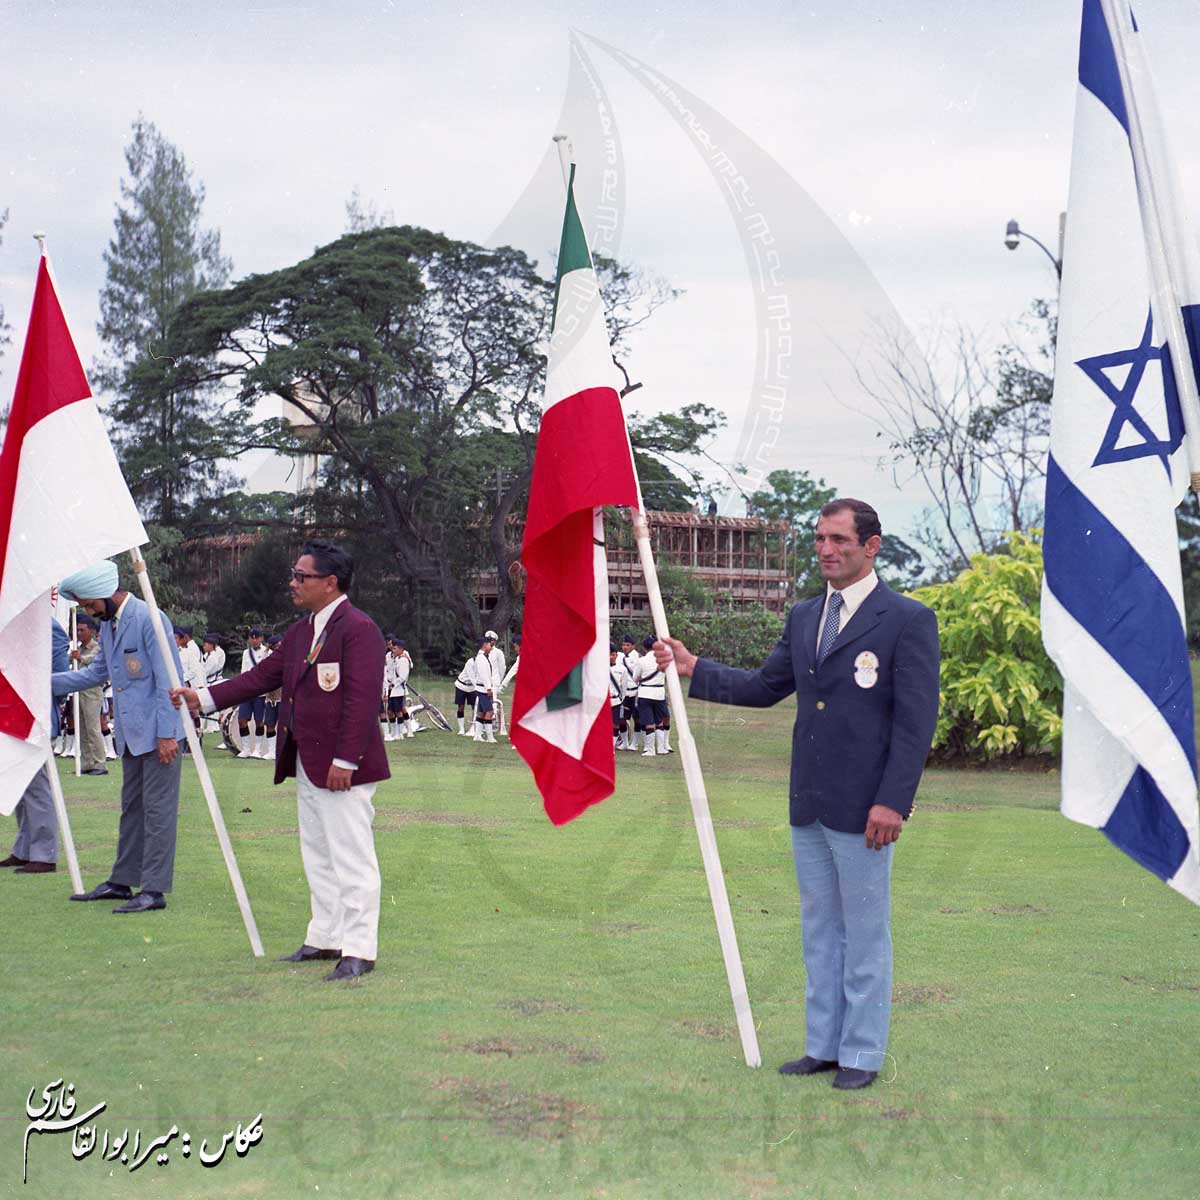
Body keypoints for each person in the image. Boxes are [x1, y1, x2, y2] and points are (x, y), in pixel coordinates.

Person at [654, 499, 939, 1090]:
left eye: (839, 539)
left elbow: (915, 724)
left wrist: (893, 800)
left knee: (863, 933)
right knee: (818, 930)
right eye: (819, 540)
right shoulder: (806, 615)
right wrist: (693, 667)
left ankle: (861, 1055)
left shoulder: (907, 620)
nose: (827, 550)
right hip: (807, 801)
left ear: (872, 546)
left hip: (867, 810)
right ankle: (823, 1047)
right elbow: (765, 687)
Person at [173, 539, 388, 982]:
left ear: (330, 583)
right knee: (318, 853)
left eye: (301, 576)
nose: (293, 583)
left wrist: (347, 759)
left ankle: (360, 948)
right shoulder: (302, 630)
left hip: (343, 765)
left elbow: (362, 701)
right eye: (294, 574)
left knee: (351, 855)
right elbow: (259, 677)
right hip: (308, 761)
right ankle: (326, 936)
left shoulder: (358, 628)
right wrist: (204, 697)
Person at [51, 559, 186, 913]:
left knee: (158, 813)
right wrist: (40, 684)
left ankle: (153, 890)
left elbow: (168, 681)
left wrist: (168, 734)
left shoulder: (149, 619)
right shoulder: (110, 626)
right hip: (131, 737)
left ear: (105, 593)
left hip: (160, 736)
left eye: (89, 604)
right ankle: (122, 881)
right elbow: (95, 673)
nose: (89, 612)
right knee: (132, 811)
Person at [1, 617, 70, 873]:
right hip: (11, 714)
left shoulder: (42, 620)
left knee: (37, 785)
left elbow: (58, 665)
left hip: (33, 714)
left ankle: (44, 852)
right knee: (21, 784)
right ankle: (25, 848)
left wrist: (55, 697)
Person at [73, 614, 108, 775]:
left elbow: (93, 660)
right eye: (77, 630)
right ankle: (87, 763)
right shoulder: (77, 648)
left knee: (93, 728)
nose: (79, 633)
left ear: (91, 631)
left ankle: (100, 763)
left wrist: (81, 658)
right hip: (79, 691)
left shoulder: (97, 647)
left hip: (92, 693)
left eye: (82, 630)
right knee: (82, 729)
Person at [236, 628, 271, 759]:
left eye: (257, 638)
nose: (254, 640)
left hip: (261, 691)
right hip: (247, 690)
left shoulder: (267, 652)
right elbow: (243, 671)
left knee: (259, 721)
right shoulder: (246, 653)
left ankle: (257, 749)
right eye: (252, 638)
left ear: (261, 639)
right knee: (242, 720)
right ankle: (245, 749)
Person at [634, 634, 667, 756]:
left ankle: (650, 749)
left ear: (645, 647)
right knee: (659, 721)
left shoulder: (641, 661)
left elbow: (635, 677)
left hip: (645, 693)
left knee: (648, 721)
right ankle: (661, 748)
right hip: (659, 693)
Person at [472, 635, 498, 743]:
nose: (491, 647)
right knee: (489, 712)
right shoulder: (481, 658)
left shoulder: (483, 657)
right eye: (489, 645)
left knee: (481, 712)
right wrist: (488, 688)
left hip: (482, 688)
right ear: (484, 645)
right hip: (484, 689)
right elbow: (483, 675)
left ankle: (477, 735)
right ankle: (489, 737)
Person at [619, 634, 641, 751]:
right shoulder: (619, 657)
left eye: (627, 645)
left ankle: (635, 743)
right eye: (623, 645)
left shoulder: (638, 657)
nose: (625, 647)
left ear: (633, 646)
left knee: (637, 718)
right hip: (624, 693)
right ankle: (625, 742)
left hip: (635, 693)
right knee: (622, 718)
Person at [608, 643, 631, 750]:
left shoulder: (622, 669)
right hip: (602, 701)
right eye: (608, 654)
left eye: (613, 654)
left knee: (616, 724)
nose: (610, 657)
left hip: (616, 701)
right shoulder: (599, 668)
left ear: (616, 655)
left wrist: (621, 699)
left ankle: (611, 747)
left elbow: (624, 687)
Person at [454, 651, 479, 736]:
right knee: (461, 707)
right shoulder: (470, 662)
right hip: (461, 685)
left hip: (472, 687)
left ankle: (474, 727)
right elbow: (472, 677)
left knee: (474, 707)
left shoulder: (483, 663)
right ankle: (461, 729)